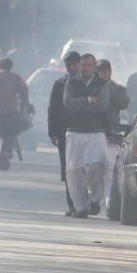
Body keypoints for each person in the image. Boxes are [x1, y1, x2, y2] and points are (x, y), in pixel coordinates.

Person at [63, 53, 110, 218]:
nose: (86, 68)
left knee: (94, 167)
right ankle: (81, 208)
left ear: (94, 66)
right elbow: (68, 104)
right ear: (80, 65)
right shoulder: (71, 82)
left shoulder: (103, 84)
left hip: (95, 133)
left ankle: (95, 199)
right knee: (74, 171)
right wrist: (88, 100)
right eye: (83, 65)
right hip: (74, 132)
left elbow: (102, 106)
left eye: (89, 65)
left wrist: (79, 105)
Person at [48, 51, 80, 215]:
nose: (72, 68)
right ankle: (72, 204)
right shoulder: (59, 83)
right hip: (64, 133)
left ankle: (86, 202)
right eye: (69, 65)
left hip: (83, 131)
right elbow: (52, 109)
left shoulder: (87, 82)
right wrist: (52, 132)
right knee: (68, 169)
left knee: (84, 168)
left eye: (75, 64)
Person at [0, 57, 28, 170]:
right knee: (9, 135)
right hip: (10, 113)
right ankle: (5, 154)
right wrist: (23, 108)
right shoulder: (16, 78)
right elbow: (24, 94)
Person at [97, 59, 130, 208]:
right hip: (94, 131)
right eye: (100, 71)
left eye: (105, 71)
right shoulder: (91, 87)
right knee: (94, 166)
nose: (103, 73)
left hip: (112, 134)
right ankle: (95, 198)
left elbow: (124, 103)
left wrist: (108, 88)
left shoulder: (117, 88)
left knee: (110, 166)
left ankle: (108, 199)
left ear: (110, 72)